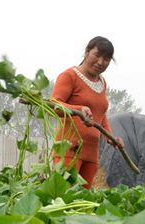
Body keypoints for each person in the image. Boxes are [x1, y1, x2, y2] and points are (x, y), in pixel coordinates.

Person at [50, 36, 124, 189]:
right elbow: (54, 105)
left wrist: (110, 137)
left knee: (83, 200)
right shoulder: (70, 76)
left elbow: (100, 115)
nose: (100, 62)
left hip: (91, 153)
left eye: (106, 59)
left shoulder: (102, 83)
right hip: (69, 149)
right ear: (86, 52)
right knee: (64, 197)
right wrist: (78, 110)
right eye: (97, 55)